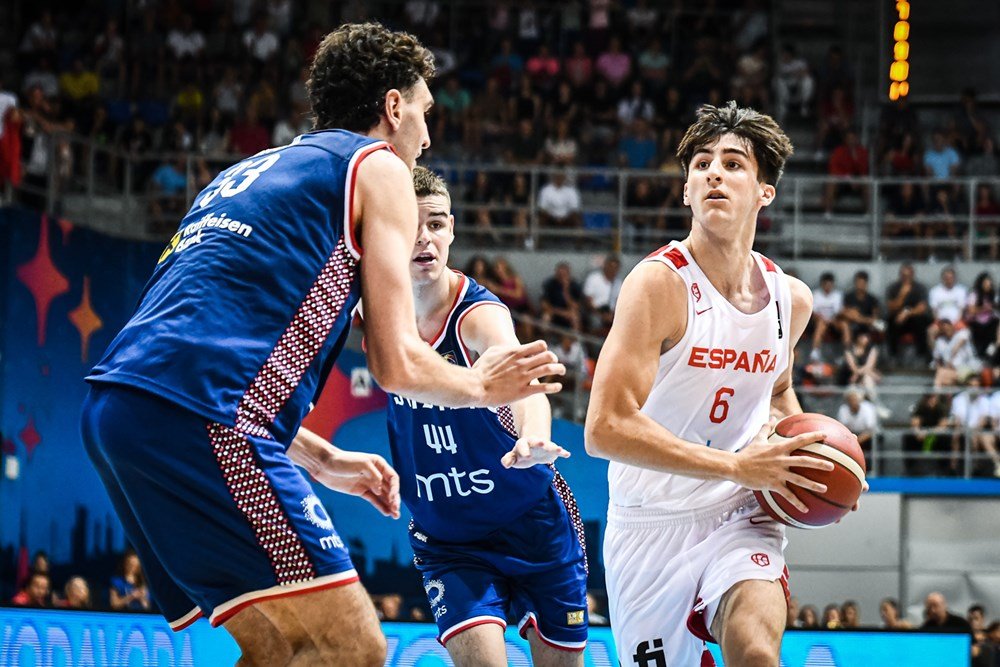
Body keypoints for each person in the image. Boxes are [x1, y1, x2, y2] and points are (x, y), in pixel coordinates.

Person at [80, 23, 563, 666]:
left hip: (118, 413)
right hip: (208, 422)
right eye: (425, 112)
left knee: (280, 650)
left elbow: (197, 354)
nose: (426, 136)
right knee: (350, 648)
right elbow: (395, 363)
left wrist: (320, 457)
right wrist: (482, 384)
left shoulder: (245, 172)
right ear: (394, 106)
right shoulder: (378, 167)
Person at [586, 102, 862, 667]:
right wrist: (737, 465)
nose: (715, 172)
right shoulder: (657, 285)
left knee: (756, 650)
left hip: (741, 511)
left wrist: (806, 459)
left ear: (764, 192)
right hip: (650, 522)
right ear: (686, 191)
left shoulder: (791, 299)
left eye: (734, 163)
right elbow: (604, 429)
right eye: (702, 164)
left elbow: (777, 391)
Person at [379, 168, 587, 665]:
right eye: (410, 224)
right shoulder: (374, 310)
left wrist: (533, 437)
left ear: (451, 229)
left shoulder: (477, 314)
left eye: (435, 224)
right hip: (448, 539)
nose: (424, 238)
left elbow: (524, 385)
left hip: (531, 520)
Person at [886, 263, 932, 363]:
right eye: (904, 275)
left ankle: (921, 356)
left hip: (914, 318)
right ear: (900, 275)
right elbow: (891, 308)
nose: (906, 278)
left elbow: (922, 308)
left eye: (908, 275)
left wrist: (906, 313)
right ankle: (893, 356)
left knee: (922, 321)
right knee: (890, 321)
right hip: (898, 319)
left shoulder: (920, 288)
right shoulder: (893, 287)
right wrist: (903, 294)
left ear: (913, 275)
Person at [904, 392, 951, 476]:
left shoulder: (941, 407)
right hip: (921, 436)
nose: (931, 400)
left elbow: (942, 426)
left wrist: (928, 433)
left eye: (933, 397)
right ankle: (910, 468)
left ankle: (945, 470)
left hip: (936, 436)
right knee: (908, 437)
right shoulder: (920, 406)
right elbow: (915, 424)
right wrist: (918, 432)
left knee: (946, 439)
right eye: (928, 397)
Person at [836, 388, 878, 471]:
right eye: (851, 399)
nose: (853, 401)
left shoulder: (867, 408)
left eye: (855, 399)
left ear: (860, 399)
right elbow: (842, 428)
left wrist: (856, 441)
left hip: (866, 435)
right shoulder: (843, 409)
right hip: (850, 435)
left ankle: (869, 470)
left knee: (871, 443)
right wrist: (851, 439)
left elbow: (870, 430)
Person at [810, 272, 849, 360]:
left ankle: (847, 351)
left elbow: (839, 312)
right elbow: (814, 313)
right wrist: (823, 319)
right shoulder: (816, 294)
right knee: (821, 324)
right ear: (822, 284)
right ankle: (815, 351)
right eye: (826, 285)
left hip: (833, 321)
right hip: (819, 321)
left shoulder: (837, 295)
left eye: (830, 285)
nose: (828, 287)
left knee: (845, 325)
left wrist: (832, 320)